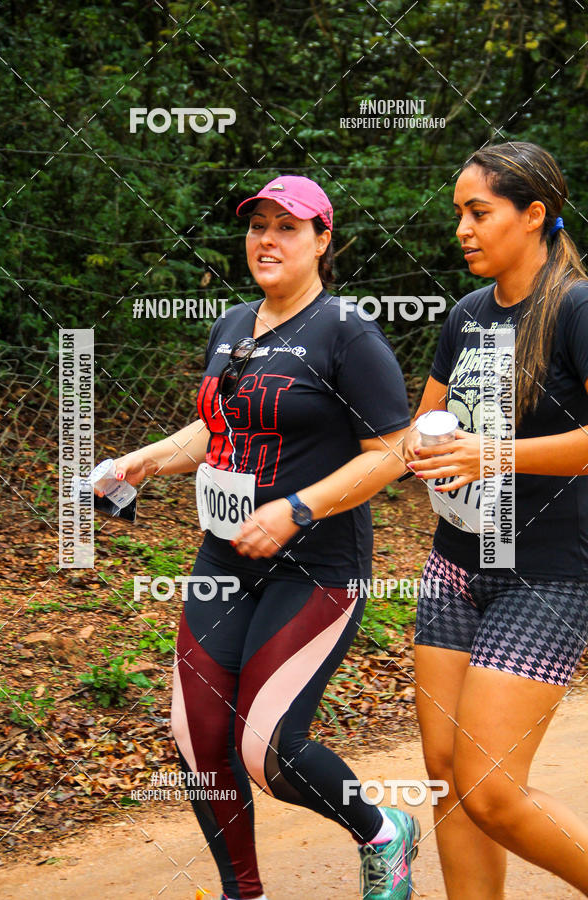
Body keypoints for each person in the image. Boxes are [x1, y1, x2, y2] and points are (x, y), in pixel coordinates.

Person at [106, 175, 419, 899]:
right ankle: (242, 893)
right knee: (199, 739)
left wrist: (298, 509)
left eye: (288, 226)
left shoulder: (347, 331)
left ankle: (381, 832)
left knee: (268, 747)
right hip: (223, 559)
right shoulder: (233, 324)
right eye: (258, 226)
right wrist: (145, 459)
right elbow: (218, 428)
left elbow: (391, 452)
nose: (268, 239)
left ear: (322, 240)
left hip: (316, 566)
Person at [404, 141, 588, 897]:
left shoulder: (576, 306)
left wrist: (495, 455)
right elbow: (426, 419)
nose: (463, 229)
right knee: (446, 776)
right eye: (459, 214)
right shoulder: (467, 314)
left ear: (534, 213)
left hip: (545, 576)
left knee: (492, 790)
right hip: (454, 564)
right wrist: (420, 443)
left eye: (479, 211)